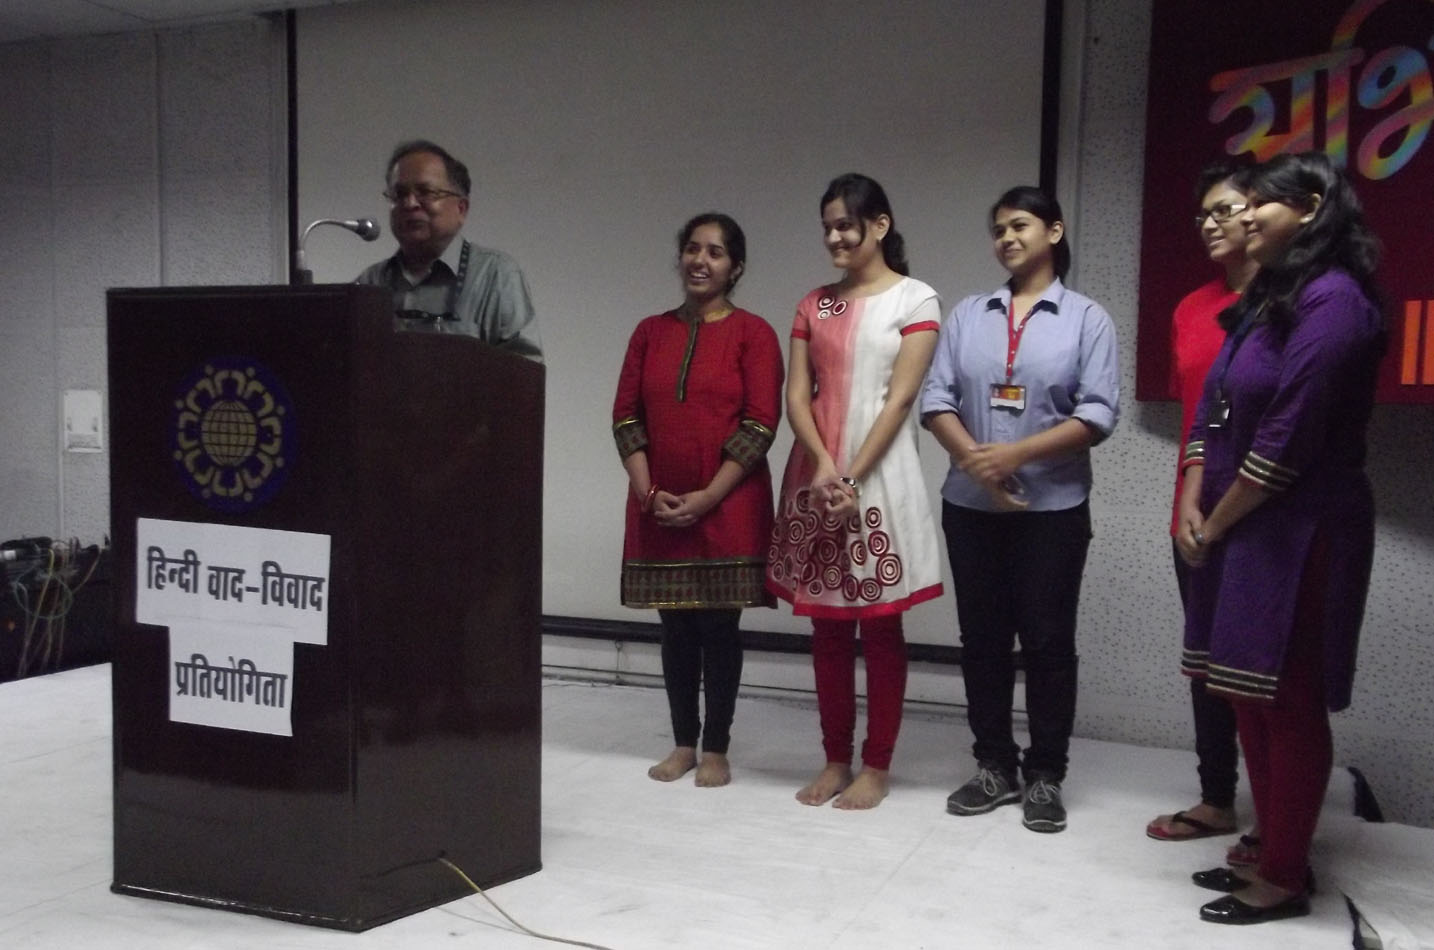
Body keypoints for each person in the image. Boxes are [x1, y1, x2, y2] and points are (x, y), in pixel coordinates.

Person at [1178, 152, 1383, 924]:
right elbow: (1215, 404)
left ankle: (1285, 876)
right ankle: (1269, 846)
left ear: (1311, 205)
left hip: (1302, 527)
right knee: (1244, 692)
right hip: (1242, 523)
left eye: (1257, 203)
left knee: (1287, 698)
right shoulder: (1273, 293)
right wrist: (1196, 501)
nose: (1242, 216)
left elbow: (1288, 438)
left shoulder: (1336, 300)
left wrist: (1215, 521)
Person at [920, 186, 1119, 834]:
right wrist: (977, 462)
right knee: (982, 642)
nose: (1006, 237)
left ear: (1054, 232)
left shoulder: (1087, 319)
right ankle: (994, 767)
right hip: (971, 507)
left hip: (1052, 509)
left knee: (1048, 644)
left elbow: (1098, 413)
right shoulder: (969, 315)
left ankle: (1045, 774)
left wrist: (1013, 455)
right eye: (998, 228)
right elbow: (936, 399)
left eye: (1020, 225)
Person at [767, 173, 943, 810]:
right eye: (828, 227)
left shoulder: (916, 300)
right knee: (828, 629)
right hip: (815, 476)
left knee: (882, 624)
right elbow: (797, 395)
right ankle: (835, 759)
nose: (835, 237)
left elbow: (899, 401)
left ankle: (878, 764)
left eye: (845, 224)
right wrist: (822, 464)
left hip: (880, 477)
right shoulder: (815, 304)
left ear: (880, 225)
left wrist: (851, 475)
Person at [612, 213, 784, 787]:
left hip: (729, 507)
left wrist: (709, 495)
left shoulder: (754, 334)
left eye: (714, 252)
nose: (700, 261)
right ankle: (683, 742)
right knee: (676, 627)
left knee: (718, 627)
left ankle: (717, 748)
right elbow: (626, 417)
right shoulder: (649, 332)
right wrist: (648, 492)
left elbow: (761, 423)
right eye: (692, 248)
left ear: (735, 267)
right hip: (659, 507)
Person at [1146, 163, 1261, 855]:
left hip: (1267, 512)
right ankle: (1217, 798)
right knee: (1207, 665)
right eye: (1203, 215)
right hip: (1193, 511)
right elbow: (1196, 416)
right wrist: (1192, 503)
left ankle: (1278, 820)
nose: (1210, 224)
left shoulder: (1295, 303)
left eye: (1225, 209)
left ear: (1261, 211)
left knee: (1265, 672)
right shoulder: (1191, 308)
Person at [356, 140, 542, 360]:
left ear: (461, 209)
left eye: (425, 192)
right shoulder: (370, 282)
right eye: (400, 194)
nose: (410, 203)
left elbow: (525, 370)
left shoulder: (495, 275)